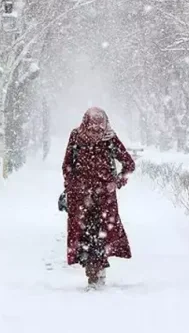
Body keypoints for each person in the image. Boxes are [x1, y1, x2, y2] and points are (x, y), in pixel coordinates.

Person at [62, 107, 136, 288]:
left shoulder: (106, 138)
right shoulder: (80, 137)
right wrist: (74, 186)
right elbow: (67, 165)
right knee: (91, 236)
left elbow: (129, 164)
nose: (96, 128)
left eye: (98, 124)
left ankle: (96, 273)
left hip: (97, 199)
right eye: (92, 124)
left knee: (95, 235)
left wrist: (117, 182)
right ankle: (94, 272)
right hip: (87, 198)